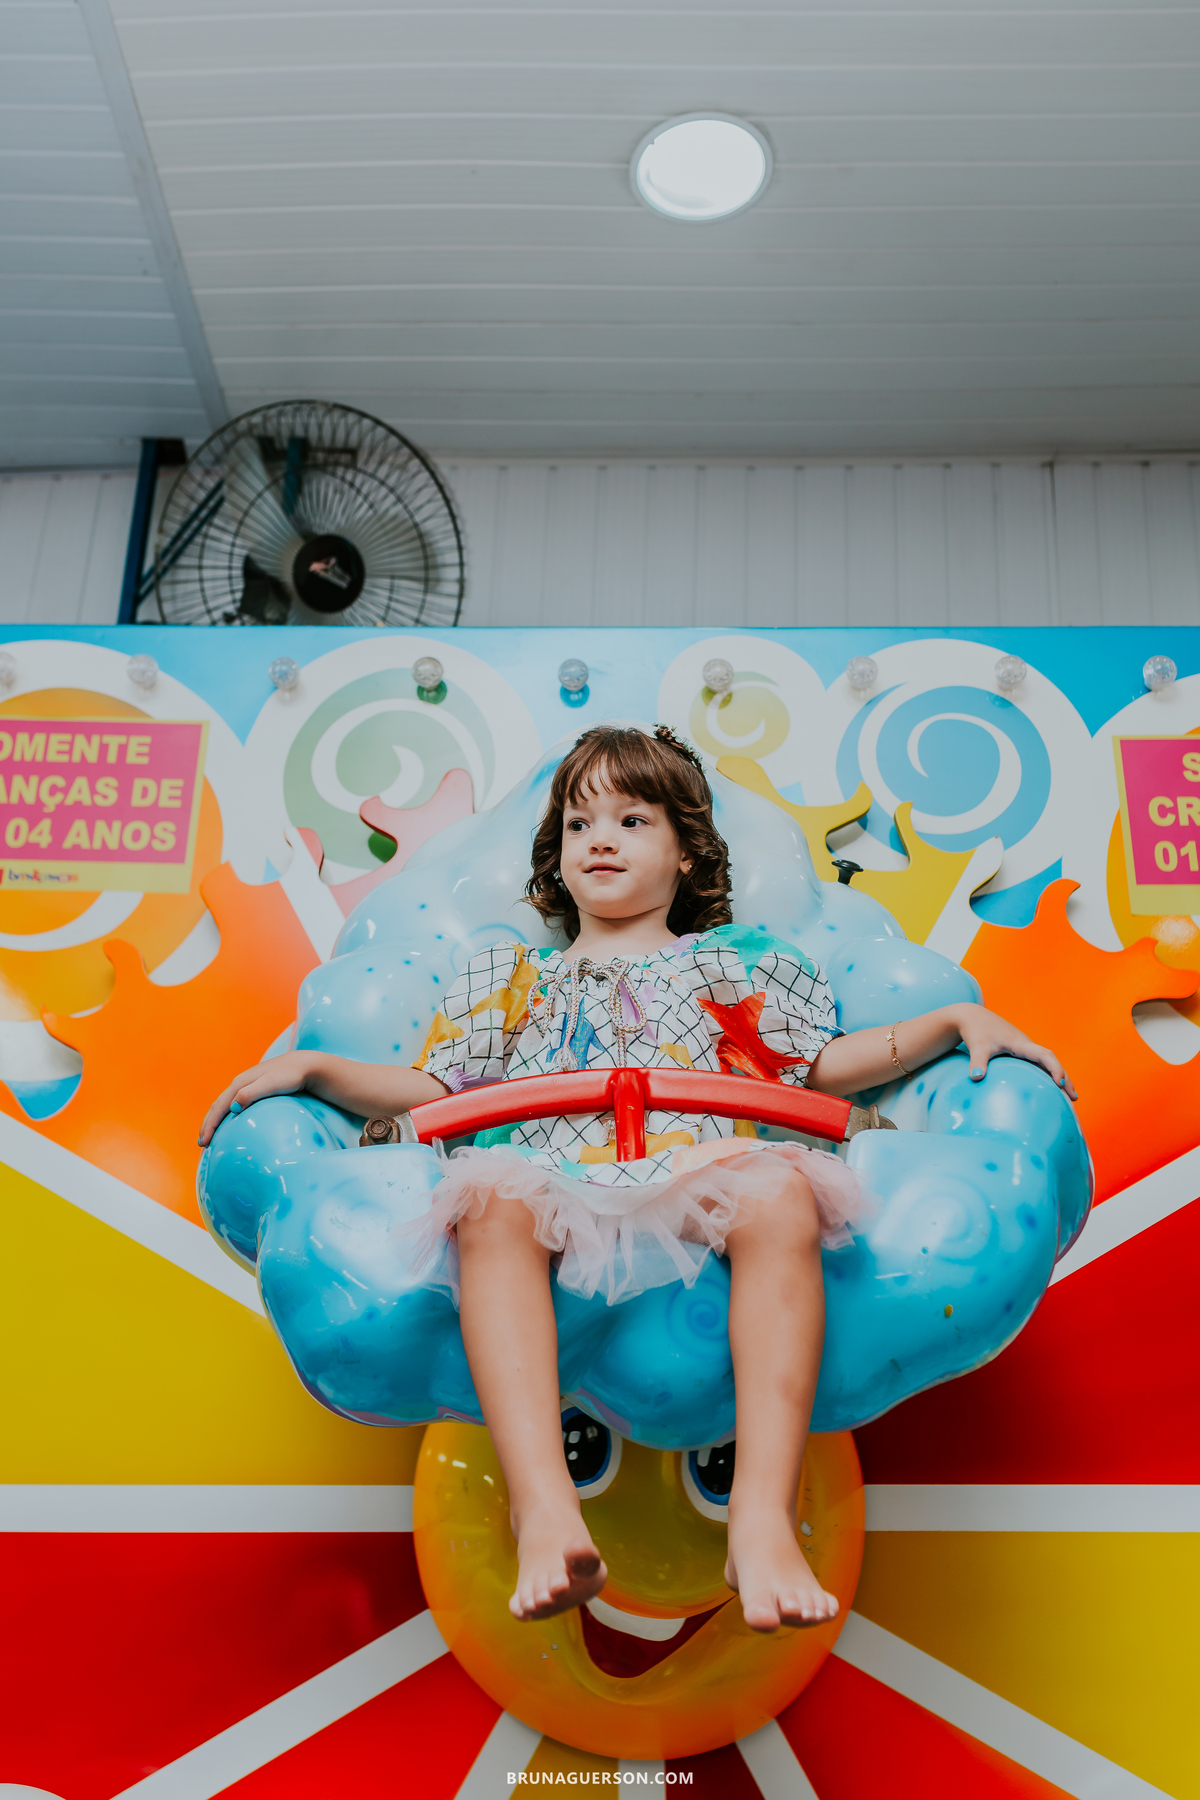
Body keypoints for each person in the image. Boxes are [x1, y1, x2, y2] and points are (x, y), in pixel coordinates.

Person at [199, 725, 1075, 1635]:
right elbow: (437, 1087)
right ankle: (544, 1510)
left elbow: (818, 1065)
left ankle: (762, 1519)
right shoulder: (511, 979)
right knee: (489, 1201)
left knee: (778, 1192)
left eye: (631, 819)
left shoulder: (737, 963)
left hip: (701, 1166)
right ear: (558, 855)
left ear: (688, 852)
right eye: (580, 825)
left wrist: (948, 1022)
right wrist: (314, 1074)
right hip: (554, 1175)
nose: (601, 840)